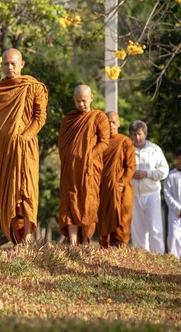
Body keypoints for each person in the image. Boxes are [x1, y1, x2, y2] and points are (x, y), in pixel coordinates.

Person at [0, 49, 48, 244]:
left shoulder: (33, 87)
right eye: (6, 64)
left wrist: (24, 136)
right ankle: (16, 240)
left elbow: (40, 117)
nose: (10, 67)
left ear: (22, 64)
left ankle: (28, 239)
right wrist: (11, 138)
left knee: (27, 192)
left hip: (26, 147)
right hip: (5, 151)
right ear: (1, 66)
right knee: (9, 195)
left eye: (13, 63)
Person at [58, 85, 110, 245]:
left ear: (91, 98)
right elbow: (62, 143)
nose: (81, 104)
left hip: (89, 170)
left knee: (88, 203)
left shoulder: (99, 117)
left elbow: (104, 142)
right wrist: (71, 158)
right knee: (70, 201)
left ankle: (86, 241)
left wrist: (88, 156)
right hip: (71, 170)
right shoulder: (68, 119)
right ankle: (73, 243)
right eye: (78, 101)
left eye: (84, 101)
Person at [97, 112, 136, 248]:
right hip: (103, 189)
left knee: (122, 220)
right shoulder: (100, 143)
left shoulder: (125, 141)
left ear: (119, 123)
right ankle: (105, 249)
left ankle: (120, 249)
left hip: (121, 189)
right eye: (108, 122)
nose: (111, 125)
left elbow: (131, 166)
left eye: (113, 122)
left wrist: (122, 182)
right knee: (104, 219)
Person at [129, 120, 169, 254]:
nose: (137, 138)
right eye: (134, 135)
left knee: (155, 228)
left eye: (139, 134)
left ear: (145, 134)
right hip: (133, 195)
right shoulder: (127, 149)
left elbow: (164, 171)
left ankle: (159, 258)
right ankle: (141, 260)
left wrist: (148, 173)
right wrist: (131, 174)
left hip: (152, 194)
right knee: (137, 230)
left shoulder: (154, 149)